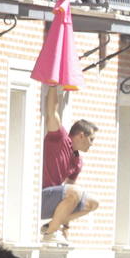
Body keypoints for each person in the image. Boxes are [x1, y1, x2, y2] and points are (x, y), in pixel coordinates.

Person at [40, 85, 99, 244]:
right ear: (81, 135)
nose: (92, 144)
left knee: (92, 203)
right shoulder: (59, 138)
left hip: (51, 201)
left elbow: (71, 199)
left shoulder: (77, 162)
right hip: (38, 197)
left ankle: (51, 227)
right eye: (91, 139)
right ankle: (50, 234)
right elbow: (52, 112)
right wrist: (53, 85)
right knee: (75, 191)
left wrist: (66, 228)